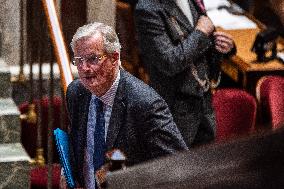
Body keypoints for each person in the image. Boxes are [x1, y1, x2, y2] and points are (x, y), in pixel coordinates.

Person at [61, 22, 187, 189]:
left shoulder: (145, 103)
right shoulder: (76, 92)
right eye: (79, 60)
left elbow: (178, 165)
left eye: (93, 59)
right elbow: (79, 144)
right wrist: (68, 171)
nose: (84, 68)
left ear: (114, 58)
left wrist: (124, 174)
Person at [135, 0, 236, 147]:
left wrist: (222, 46)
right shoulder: (148, 9)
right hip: (174, 111)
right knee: (175, 168)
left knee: (206, 167)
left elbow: (201, 46)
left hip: (204, 105)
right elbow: (169, 62)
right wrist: (200, 33)